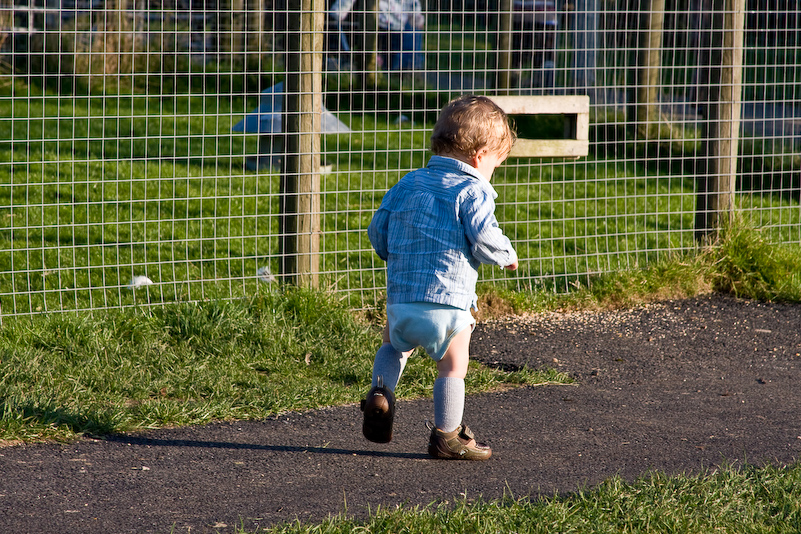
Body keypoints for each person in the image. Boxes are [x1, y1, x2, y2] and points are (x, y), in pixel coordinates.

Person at [362, 95, 519, 460]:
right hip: (449, 305)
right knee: (452, 367)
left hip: (401, 300)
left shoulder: (408, 182)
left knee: (393, 346)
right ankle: (447, 435)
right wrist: (506, 255)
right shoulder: (472, 190)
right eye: (497, 163)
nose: (493, 171)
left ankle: (381, 393)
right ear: (480, 156)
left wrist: (391, 253)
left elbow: (377, 229)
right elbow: (484, 237)